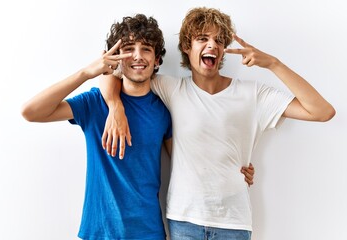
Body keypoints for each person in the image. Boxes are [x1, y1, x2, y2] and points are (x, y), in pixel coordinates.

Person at [100, 7, 335, 240]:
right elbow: (117, 71)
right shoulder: (172, 88)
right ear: (186, 47)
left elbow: (322, 112)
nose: (212, 45)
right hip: (184, 220)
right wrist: (114, 105)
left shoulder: (252, 94)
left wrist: (274, 64)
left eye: (219, 40)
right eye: (202, 38)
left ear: (223, 51)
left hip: (233, 221)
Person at [20, 13, 256, 239]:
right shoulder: (95, 103)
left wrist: (234, 169)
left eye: (146, 49)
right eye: (128, 49)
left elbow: (189, 160)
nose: (137, 56)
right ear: (116, 58)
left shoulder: (165, 109)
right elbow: (31, 112)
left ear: (157, 60)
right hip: (100, 231)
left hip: (149, 231)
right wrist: (86, 74)